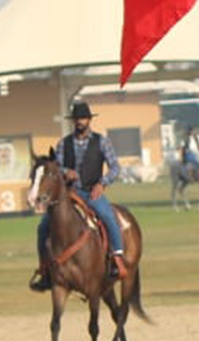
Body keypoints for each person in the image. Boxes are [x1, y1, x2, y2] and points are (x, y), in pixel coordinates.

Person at [29, 101, 127, 291]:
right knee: (43, 228)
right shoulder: (63, 143)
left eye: (83, 118)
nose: (80, 122)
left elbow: (115, 167)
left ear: (89, 120)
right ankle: (45, 271)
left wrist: (102, 183)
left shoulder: (102, 141)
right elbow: (55, 168)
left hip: (92, 192)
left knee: (107, 216)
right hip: (69, 194)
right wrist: (66, 172)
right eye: (77, 119)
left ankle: (117, 258)